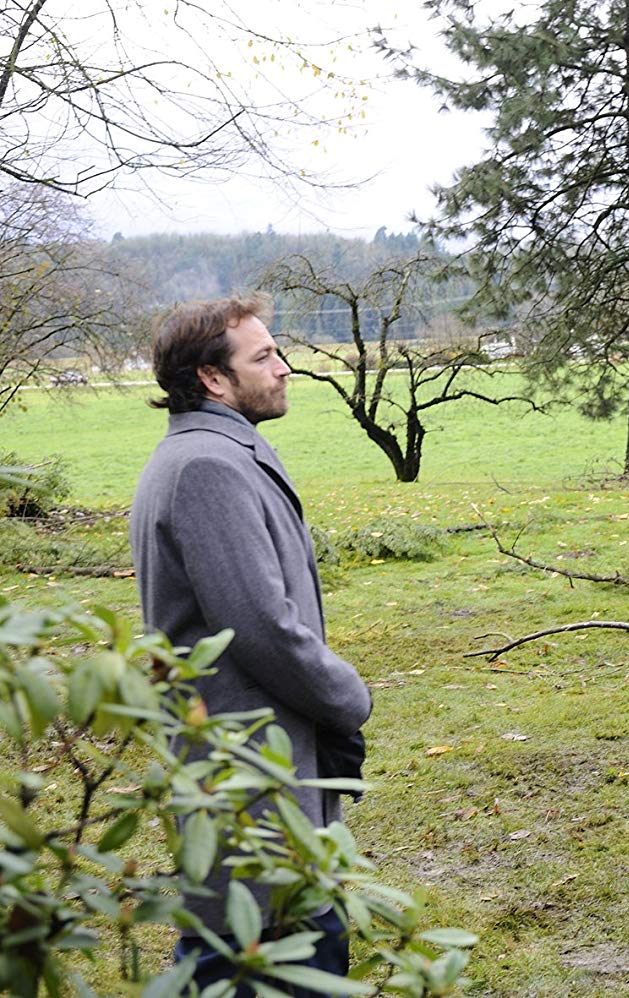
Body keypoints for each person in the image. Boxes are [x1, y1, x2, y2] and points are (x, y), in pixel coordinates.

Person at [129, 296, 373, 993]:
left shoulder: (215, 451)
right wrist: (348, 699)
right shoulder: (207, 466)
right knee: (258, 955)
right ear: (212, 378)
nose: (284, 368)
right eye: (263, 356)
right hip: (246, 768)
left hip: (259, 760)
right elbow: (261, 626)